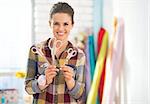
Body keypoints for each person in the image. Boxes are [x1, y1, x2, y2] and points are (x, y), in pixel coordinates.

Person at [25, 2, 86, 104]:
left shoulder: (79, 55)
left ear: (72, 25)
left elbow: (80, 94)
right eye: (56, 24)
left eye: (65, 24)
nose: (61, 29)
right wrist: (43, 81)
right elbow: (28, 88)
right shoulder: (36, 50)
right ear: (50, 24)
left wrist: (71, 81)